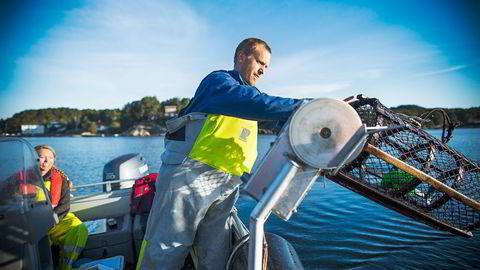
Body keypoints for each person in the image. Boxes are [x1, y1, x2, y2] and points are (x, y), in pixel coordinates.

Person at [137, 37, 304, 270]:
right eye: (260, 62)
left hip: (226, 187)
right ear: (241, 57)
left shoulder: (251, 99)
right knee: (167, 248)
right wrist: (305, 105)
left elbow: (277, 119)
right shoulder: (219, 82)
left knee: (215, 255)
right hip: (190, 178)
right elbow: (254, 103)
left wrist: (313, 122)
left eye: (266, 67)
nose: (263, 70)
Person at [35, 144, 88, 270]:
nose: (46, 161)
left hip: (55, 220)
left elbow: (65, 206)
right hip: (32, 224)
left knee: (79, 229)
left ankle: (65, 266)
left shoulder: (60, 178)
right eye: (42, 157)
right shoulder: (20, 179)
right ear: (33, 158)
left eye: (50, 158)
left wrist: (51, 221)